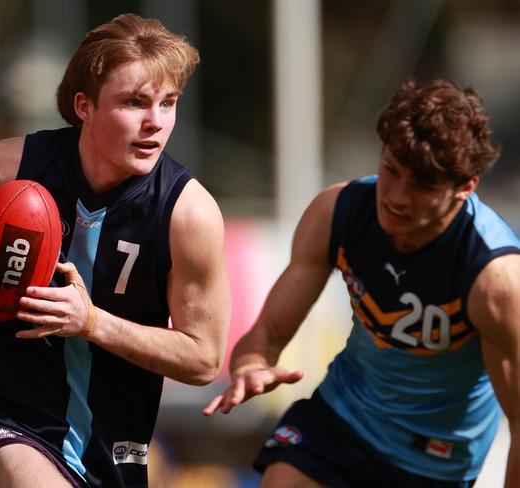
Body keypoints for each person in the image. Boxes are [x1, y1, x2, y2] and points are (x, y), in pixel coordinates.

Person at [0, 13, 230, 488]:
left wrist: (93, 323)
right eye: (134, 102)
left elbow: (204, 358)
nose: (155, 123)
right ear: (84, 106)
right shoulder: (9, 168)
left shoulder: (188, 214)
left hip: (112, 451)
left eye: (168, 103)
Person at [204, 79, 520, 487]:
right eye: (391, 170)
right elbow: (266, 334)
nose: (397, 197)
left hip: (434, 461)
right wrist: (251, 366)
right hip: (344, 417)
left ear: (465, 187)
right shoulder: (338, 213)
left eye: (422, 185)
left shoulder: (496, 280)